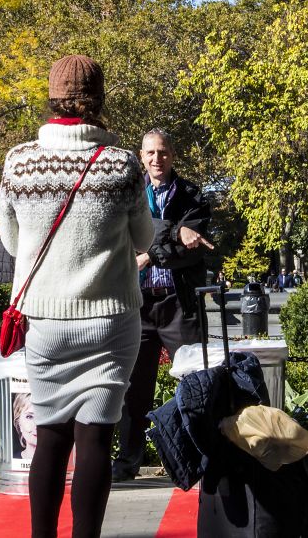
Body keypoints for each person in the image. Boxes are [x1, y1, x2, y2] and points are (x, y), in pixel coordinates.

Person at [0, 54, 154, 538]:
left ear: (51, 98)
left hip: (45, 320)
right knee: (96, 440)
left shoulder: (20, 162)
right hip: (110, 321)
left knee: (50, 437)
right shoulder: (122, 164)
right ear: (98, 100)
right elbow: (144, 239)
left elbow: (11, 240)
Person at [112, 128, 213, 484]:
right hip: (136, 304)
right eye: (151, 153)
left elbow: (192, 251)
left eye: (164, 152)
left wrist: (148, 252)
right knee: (132, 391)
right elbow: (123, 235)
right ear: (141, 156)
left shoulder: (193, 196)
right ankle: (127, 462)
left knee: (194, 385)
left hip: (178, 304)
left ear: (173, 155)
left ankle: (199, 459)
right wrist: (174, 233)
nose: (158, 159)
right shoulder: (127, 194)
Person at [13, 393, 38, 461]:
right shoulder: (12, 462)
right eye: (29, 417)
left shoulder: (61, 462)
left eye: (42, 416)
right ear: (19, 424)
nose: (36, 424)